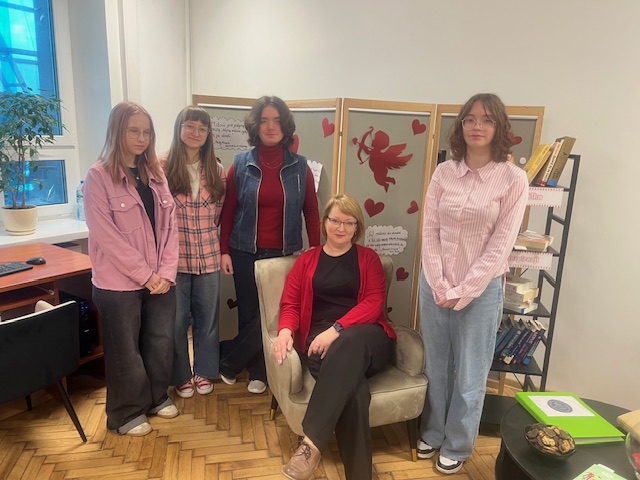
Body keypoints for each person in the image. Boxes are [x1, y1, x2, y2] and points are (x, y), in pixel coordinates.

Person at [417, 93, 528, 474]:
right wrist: (439, 283)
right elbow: (430, 230)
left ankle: (459, 443)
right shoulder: (444, 172)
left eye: (486, 119)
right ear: (460, 125)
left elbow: (501, 244)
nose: (477, 126)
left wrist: (464, 290)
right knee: (436, 365)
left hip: (480, 292)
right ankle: (433, 431)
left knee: (470, 372)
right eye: (470, 119)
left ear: (499, 127)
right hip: (434, 286)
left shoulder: (513, 178)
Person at [274, 194, 396, 480]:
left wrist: (336, 329)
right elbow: (290, 303)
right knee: (355, 393)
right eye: (335, 220)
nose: (341, 228)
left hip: (367, 337)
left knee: (349, 341)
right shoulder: (307, 261)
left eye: (348, 222)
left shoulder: (369, 259)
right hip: (320, 344)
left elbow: (373, 303)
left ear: (357, 227)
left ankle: (311, 444)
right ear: (325, 222)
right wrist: (285, 330)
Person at [84, 101, 179, 436]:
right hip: (119, 284)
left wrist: (166, 272)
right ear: (117, 131)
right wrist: (145, 275)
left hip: (160, 280)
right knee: (125, 350)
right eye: (133, 131)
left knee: (159, 341)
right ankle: (125, 414)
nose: (141, 138)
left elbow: (170, 225)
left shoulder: (156, 173)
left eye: (147, 132)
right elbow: (106, 236)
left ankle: (156, 397)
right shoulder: (98, 176)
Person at [219, 95, 320, 394]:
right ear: (256, 126)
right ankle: (257, 373)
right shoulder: (240, 164)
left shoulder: (301, 167)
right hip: (243, 251)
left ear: (285, 126)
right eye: (264, 121)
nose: (271, 127)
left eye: (276, 121)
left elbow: (311, 211)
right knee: (249, 313)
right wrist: (224, 251)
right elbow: (229, 210)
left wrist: (315, 250)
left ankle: (229, 360)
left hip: (283, 254)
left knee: (272, 316)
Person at [162, 106, 226, 398]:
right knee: (176, 322)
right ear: (179, 128)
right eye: (190, 126)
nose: (196, 133)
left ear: (208, 133)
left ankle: (205, 370)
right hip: (174, 261)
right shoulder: (162, 168)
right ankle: (180, 375)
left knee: (207, 320)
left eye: (202, 128)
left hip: (208, 257)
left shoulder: (216, 169)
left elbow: (219, 215)